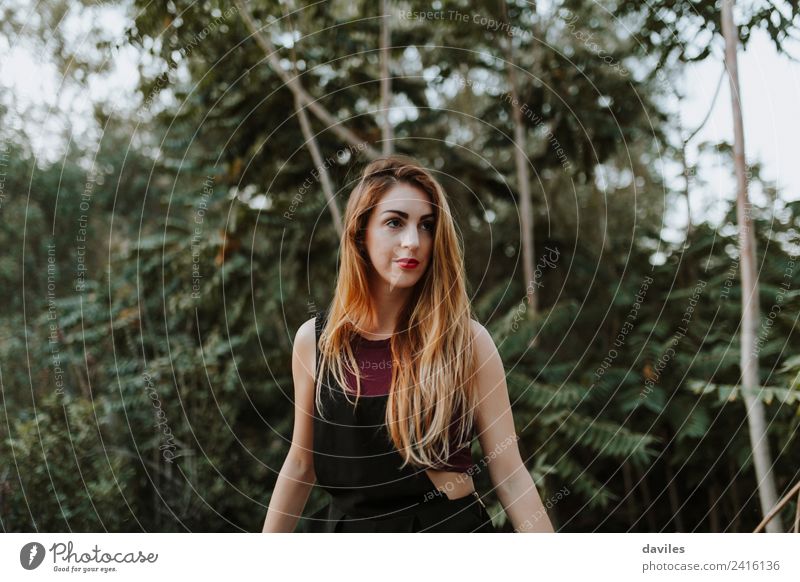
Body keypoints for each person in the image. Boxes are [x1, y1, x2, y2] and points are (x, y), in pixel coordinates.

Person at [262, 155, 555, 533]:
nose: (413, 241)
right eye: (394, 222)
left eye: (426, 226)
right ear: (360, 233)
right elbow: (301, 464)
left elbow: (510, 473)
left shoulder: (466, 341)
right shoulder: (316, 342)